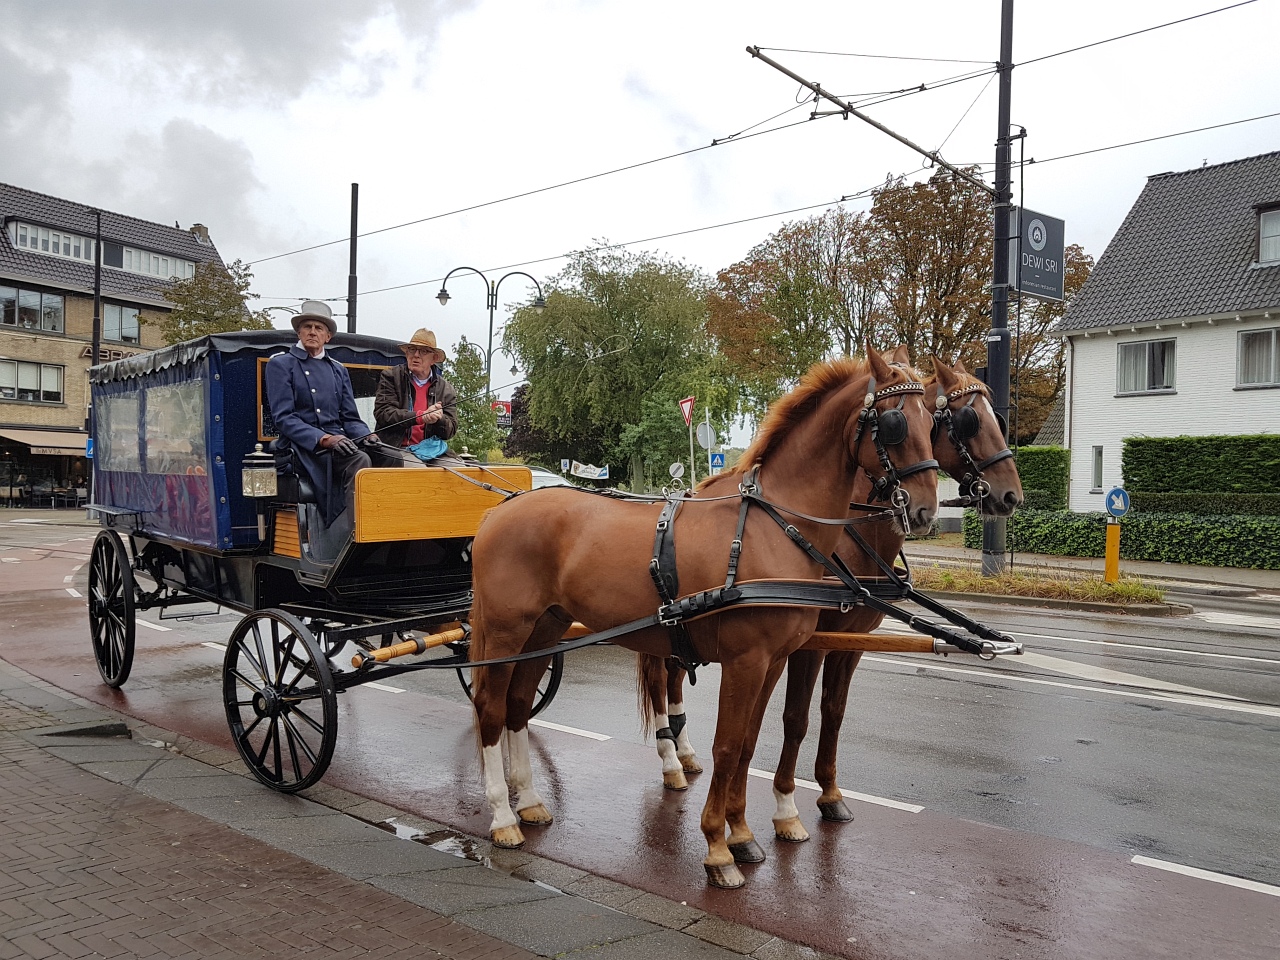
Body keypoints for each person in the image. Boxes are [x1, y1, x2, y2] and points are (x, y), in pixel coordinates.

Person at [264, 300, 377, 526]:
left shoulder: (338, 369)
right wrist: (324, 439)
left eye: (319, 328)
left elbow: (350, 418)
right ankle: (357, 531)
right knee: (359, 460)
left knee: (385, 456)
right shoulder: (281, 365)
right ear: (299, 331)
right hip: (304, 448)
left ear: (328, 336)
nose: (312, 332)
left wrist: (367, 436)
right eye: (308, 327)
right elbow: (284, 418)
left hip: (340, 442)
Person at [373, 328, 458, 465]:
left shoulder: (446, 389)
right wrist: (420, 416)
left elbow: (450, 430)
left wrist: (439, 418)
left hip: (432, 450)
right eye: (412, 350)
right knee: (418, 473)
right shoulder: (391, 377)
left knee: (459, 471)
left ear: (434, 359)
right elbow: (383, 414)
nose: (416, 355)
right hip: (396, 448)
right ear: (406, 354)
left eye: (423, 351)